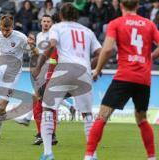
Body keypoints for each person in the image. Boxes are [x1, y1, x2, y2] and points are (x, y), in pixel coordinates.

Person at [84, 0, 159, 159]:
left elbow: (108, 48)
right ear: (138, 6)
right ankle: (152, 157)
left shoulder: (116, 23)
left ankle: (89, 155)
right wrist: (150, 57)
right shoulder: (149, 24)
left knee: (102, 116)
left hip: (124, 76)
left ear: (121, 6)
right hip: (143, 79)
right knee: (142, 119)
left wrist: (98, 69)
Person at [32, 3, 101, 160]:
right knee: (87, 115)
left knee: (47, 109)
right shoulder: (87, 31)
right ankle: (92, 155)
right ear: (76, 16)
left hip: (64, 69)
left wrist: (39, 66)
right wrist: (94, 68)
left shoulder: (57, 28)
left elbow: (52, 46)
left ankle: (48, 153)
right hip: (84, 72)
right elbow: (101, 52)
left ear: (61, 16)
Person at [15, 15, 76, 146]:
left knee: (39, 100)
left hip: (53, 71)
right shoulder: (40, 36)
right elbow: (38, 54)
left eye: (48, 21)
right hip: (42, 71)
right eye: (44, 21)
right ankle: (49, 133)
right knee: (44, 102)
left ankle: (37, 129)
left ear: (52, 23)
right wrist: (32, 47)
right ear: (41, 22)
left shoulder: (54, 36)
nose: (46, 23)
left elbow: (51, 54)